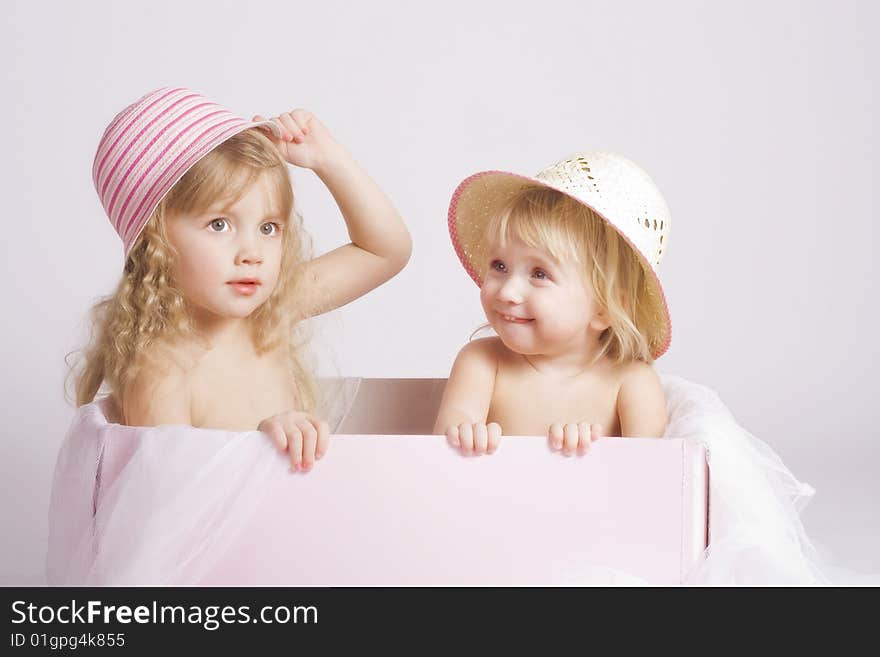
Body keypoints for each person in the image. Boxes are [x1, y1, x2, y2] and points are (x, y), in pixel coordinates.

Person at [75, 86, 412, 471]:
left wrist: (327, 158)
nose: (252, 253)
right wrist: (259, 446)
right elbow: (168, 506)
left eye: (269, 227)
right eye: (220, 224)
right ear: (155, 241)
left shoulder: (270, 311)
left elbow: (386, 250)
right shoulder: (160, 368)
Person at [436, 152, 669, 455]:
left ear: (603, 309)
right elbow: (444, 441)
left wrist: (595, 455)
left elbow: (652, 475)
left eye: (539, 273)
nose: (508, 292)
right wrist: (465, 434)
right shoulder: (481, 362)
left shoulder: (631, 383)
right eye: (499, 266)